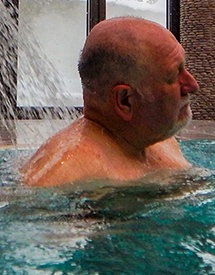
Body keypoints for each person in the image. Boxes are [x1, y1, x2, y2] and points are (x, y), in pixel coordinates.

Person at [20, 16, 200, 187]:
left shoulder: (159, 140)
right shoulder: (65, 176)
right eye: (173, 76)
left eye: (183, 67)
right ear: (125, 101)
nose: (192, 85)